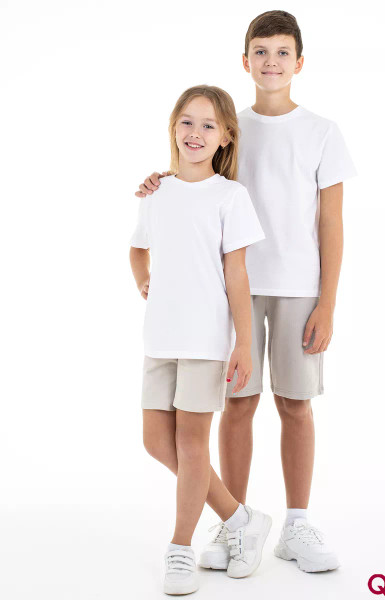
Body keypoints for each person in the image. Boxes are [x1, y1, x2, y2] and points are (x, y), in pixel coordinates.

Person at [136, 11, 357, 574]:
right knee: (238, 403)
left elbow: (331, 222)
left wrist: (328, 301)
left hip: (298, 286)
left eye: (282, 53)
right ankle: (234, 523)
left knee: (296, 404)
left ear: (299, 63)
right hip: (229, 289)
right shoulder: (228, 121)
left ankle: (297, 523)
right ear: (245, 60)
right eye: (260, 51)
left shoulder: (322, 131)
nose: (271, 62)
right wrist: (158, 181)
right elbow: (196, 178)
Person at [129, 85, 271, 595]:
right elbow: (138, 247)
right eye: (187, 122)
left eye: (209, 125)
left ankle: (180, 548)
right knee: (155, 441)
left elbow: (237, 274)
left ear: (226, 136)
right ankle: (240, 518)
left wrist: (243, 343)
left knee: (191, 445)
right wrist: (143, 279)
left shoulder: (230, 196)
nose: (196, 132)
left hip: (206, 338)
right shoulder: (156, 191)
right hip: (159, 337)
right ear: (173, 127)